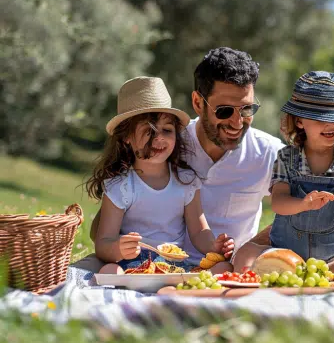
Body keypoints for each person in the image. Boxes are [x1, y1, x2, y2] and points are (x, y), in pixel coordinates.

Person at [73, 47, 285, 272]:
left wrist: (248, 247)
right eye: (224, 111)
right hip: (135, 261)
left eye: (246, 109)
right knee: (84, 274)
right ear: (197, 103)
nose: (237, 122)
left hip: (209, 266)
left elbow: (309, 209)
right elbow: (101, 234)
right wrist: (117, 244)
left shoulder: (270, 153)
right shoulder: (168, 146)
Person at [85, 77, 234, 274]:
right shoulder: (121, 185)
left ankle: (169, 292)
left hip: (173, 265)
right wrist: (117, 249)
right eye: (149, 131)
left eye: (167, 130)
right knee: (110, 272)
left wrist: (214, 247)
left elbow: (198, 232)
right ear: (126, 138)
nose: (160, 138)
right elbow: (103, 242)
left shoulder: (186, 181)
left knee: (224, 267)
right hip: (131, 265)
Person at [232, 71, 334, 270]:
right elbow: (278, 203)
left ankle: (331, 269)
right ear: (299, 121)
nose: (331, 124)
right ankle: (303, 272)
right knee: (245, 254)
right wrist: (304, 204)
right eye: (320, 118)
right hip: (285, 255)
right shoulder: (286, 157)